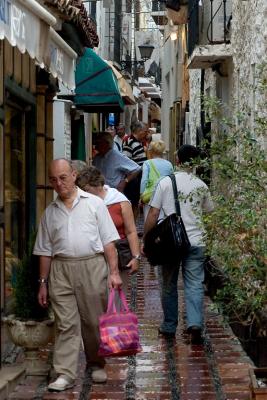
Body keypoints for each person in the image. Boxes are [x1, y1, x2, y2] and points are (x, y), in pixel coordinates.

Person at [33, 158, 122, 392]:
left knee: (93, 321)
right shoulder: (50, 213)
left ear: (74, 175)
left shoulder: (94, 204)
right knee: (65, 324)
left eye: (63, 177)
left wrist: (114, 273)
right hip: (61, 269)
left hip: (92, 266)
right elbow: (44, 251)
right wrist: (43, 283)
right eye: (53, 180)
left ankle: (96, 363)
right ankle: (65, 372)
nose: (58, 183)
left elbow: (108, 242)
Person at [143, 145, 214, 344]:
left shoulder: (166, 182)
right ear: (195, 163)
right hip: (196, 241)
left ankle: (169, 326)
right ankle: (195, 324)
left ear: (179, 161)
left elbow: (153, 214)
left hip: (170, 242)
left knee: (168, 284)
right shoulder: (201, 185)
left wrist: (146, 239)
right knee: (194, 283)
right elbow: (209, 212)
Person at [76, 166, 141, 294]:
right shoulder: (83, 202)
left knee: (116, 295)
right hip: (92, 256)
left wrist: (136, 257)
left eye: (86, 189)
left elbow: (131, 231)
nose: (83, 192)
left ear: (96, 186)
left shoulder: (119, 201)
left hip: (119, 255)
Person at [140, 140, 173, 221]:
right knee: (162, 219)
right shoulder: (169, 164)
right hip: (165, 194)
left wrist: (141, 195)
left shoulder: (147, 163)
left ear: (151, 151)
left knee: (149, 218)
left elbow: (144, 180)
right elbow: (172, 179)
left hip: (150, 195)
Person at [122, 121, 148, 219]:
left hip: (137, 178)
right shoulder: (130, 142)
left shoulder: (137, 142)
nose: (146, 134)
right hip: (133, 179)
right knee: (133, 203)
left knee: (135, 203)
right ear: (139, 131)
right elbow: (126, 161)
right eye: (145, 131)